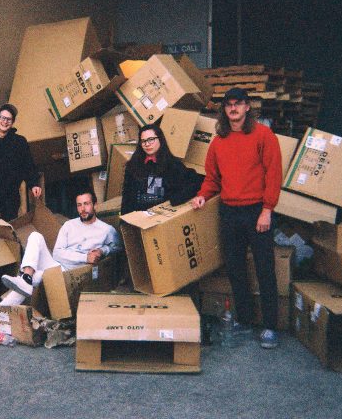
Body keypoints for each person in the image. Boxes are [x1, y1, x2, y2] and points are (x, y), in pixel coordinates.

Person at [191, 87, 282, 349]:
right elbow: (212, 178)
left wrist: (267, 209)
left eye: (238, 104)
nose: (233, 108)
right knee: (235, 268)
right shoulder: (218, 142)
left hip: (257, 211)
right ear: (224, 110)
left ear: (247, 107)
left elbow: (274, 174)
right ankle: (244, 319)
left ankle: (270, 326)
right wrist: (202, 196)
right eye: (229, 104)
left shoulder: (263, 135)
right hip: (230, 212)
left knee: (265, 269)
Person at [0, 189, 122, 335]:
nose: (82, 209)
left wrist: (103, 250)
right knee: (35, 236)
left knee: (27, 284)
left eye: (86, 204)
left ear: (95, 205)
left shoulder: (106, 230)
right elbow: (58, 254)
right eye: (79, 205)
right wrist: (85, 257)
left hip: (74, 274)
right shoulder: (69, 225)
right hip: (58, 266)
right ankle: (26, 277)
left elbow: (118, 247)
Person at [0, 103, 41, 233]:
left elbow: (28, 165)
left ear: (12, 122)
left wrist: (34, 184)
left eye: (9, 119)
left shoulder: (19, 142)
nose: (5, 122)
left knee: (9, 229)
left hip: (10, 195)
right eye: (2, 118)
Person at [120, 123, 203, 215]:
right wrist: (125, 219)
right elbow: (127, 197)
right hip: (137, 216)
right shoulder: (133, 165)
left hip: (162, 216)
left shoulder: (173, 164)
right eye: (143, 141)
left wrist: (176, 199)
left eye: (151, 139)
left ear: (160, 139)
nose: (147, 144)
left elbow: (195, 181)